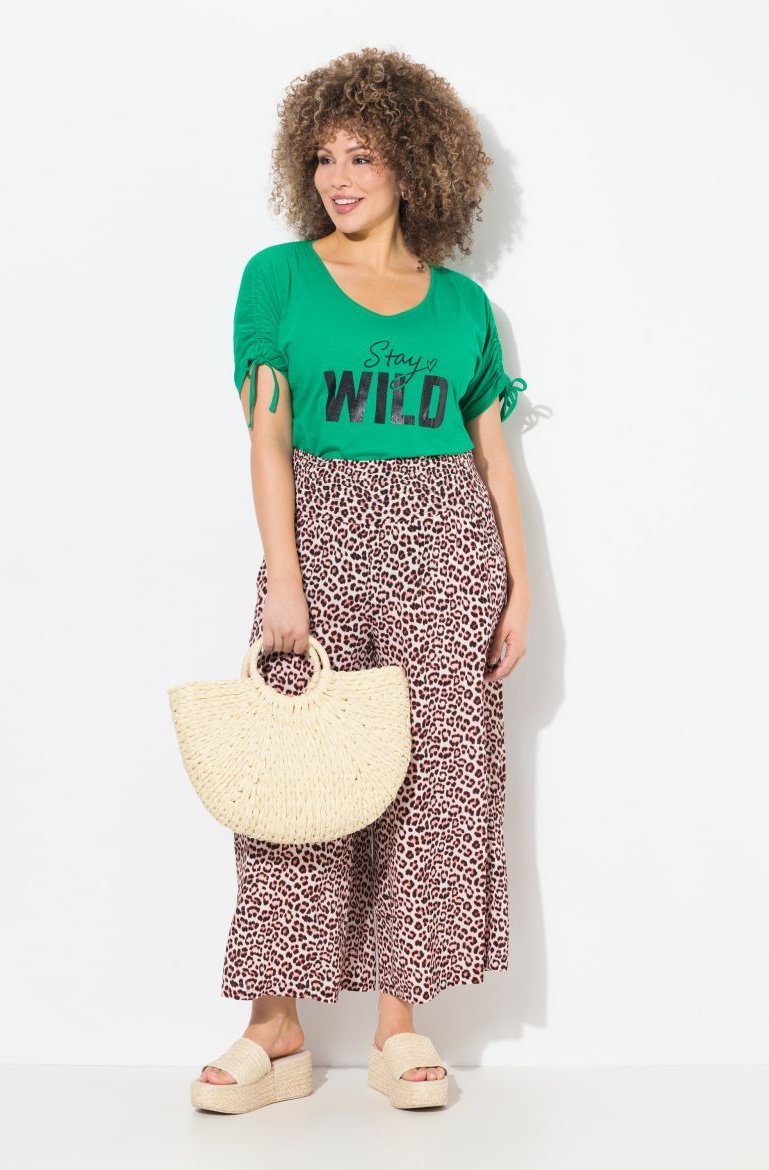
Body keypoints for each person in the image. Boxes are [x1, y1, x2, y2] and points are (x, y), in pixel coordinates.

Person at [193, 46, 531, 1113]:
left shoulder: (462, 306)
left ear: (413, 168)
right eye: (324, 157)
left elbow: (493, 458)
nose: (338, 179)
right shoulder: (279, 277)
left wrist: (520, 589)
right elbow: (266, 437)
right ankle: (276, 1027)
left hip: (448, 542)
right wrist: (285, 579)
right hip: (323, 533)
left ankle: (399, 1024)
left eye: (364, 157)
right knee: (293, 771)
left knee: (436, 781)